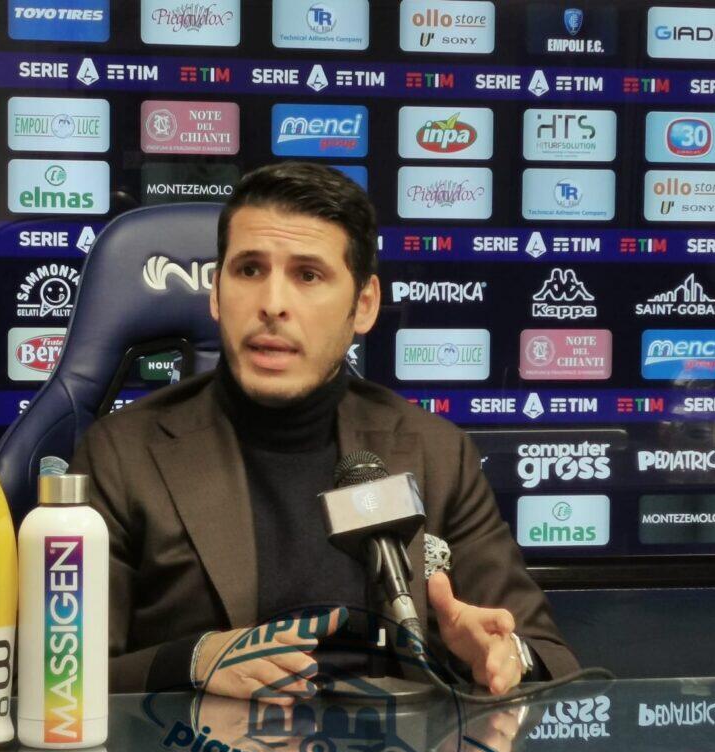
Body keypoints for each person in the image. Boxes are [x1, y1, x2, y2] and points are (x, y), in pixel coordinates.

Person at [69, 162, 577, 702]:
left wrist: (497, 655)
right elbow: (63, 673)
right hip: (199, 750)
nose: (272, 304)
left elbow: (547, 652)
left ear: (364, 305)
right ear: (216, 292)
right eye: (249, 270)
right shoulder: (122, 455)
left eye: (308, 275)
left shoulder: (435, 452)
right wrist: (191, 662)